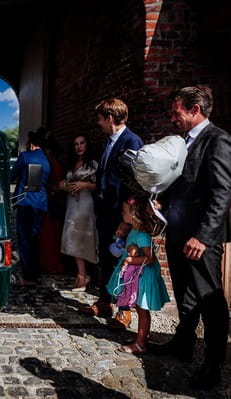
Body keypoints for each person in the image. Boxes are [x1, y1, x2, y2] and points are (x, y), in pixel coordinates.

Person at [150, 86, 231, 390]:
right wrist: (164, 200)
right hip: (177, 233)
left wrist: (202, 236)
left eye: (176, 112)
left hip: (201, 240)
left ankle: (213, 366)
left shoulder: (219, 141)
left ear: (195, 109)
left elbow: (222, 193)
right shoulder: (183, 142)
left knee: (210, 301)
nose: (172, 117)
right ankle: (182, 345)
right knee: (185, 295)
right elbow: (183, 181)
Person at [79, 98, 143, 324]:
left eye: (100, 119)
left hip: (120, 214)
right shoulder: (109, 142)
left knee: (125, 261)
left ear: (110, 118)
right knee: (106, 258)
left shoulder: (131, 141)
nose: (99, 124)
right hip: (105, 212)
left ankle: (124, 309)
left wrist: (127, 219)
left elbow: (135, 183)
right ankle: (105, 301)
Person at [106, 197, 170, 353]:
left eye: (124, 211)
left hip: (143, 275)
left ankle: (140, 344)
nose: (122, 213)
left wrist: (130, 259)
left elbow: (149, 258)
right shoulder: (134, 231)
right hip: (137, 274)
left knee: (142, 309)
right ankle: (141, 338)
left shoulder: (142, 236)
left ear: (134, 216)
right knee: (139, 308)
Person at [58, 134, 99, 291]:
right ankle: (81, 275)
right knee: (72, 237)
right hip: (72, 205)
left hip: (86, 205)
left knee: (84, 238)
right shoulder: (72, 164)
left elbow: (100, 185)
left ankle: (84, 276)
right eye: (76, 144)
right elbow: (64, 182)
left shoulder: (93, 164)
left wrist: (85, 185)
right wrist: (63, 185)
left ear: (87, 145)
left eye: (82, 143)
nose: (79, 146)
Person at [11, 130, 51, 286]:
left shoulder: (26, 156)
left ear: (32, 144)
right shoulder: (46, 161)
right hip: (40, 203)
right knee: (34, 239)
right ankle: (34, 272)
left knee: (24, 238)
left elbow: (12, 175)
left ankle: (28, 276)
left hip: (26, 202)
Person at [38, 130, 66, 275]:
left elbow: (58, 185)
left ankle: (51, 265)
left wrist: (51, 187)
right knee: (47, 235)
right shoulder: (52, 164)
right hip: (47, 202)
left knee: (51, 236)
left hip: (52, 202)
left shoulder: (54, 165)